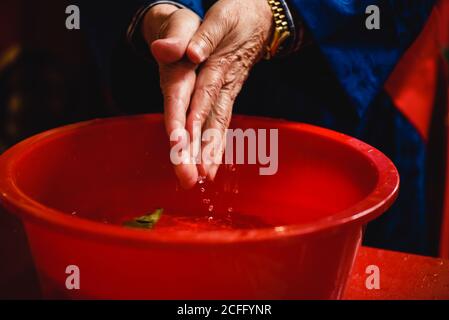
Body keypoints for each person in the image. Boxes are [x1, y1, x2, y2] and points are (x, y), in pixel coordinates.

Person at [81, 0, 444, 256]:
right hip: (162, 68)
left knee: (341, 262)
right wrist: (160, 8)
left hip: (344, 79)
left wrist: (280, 11)